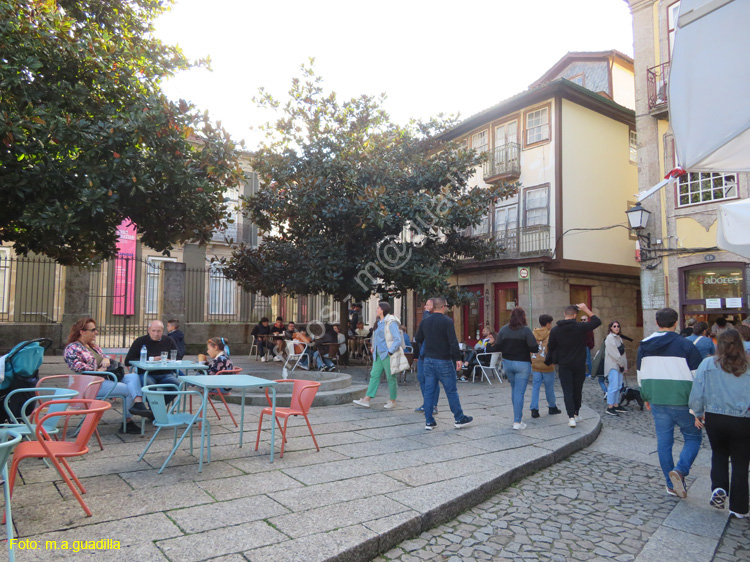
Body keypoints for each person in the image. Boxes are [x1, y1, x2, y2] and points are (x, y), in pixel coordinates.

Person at [637, 307, 703, 499]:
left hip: (657, 399)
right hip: (683, 401)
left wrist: (646, 397)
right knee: (693, 437)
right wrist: (699, 407)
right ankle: (680, 470)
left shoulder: (644, 345)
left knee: (664, 443)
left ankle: (670, 484)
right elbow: (698, 378)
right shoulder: (686, 346)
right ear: (676, 323)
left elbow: (641, 375)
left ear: (657, 323)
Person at [689, 329, 750, 518]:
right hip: (743, 419)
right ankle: (738, 507)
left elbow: (697, 392)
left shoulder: (707, 364)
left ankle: (719, 487)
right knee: (741, 462)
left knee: (719, 453)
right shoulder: (748, 365)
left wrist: (697, 412)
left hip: (715, 417)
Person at [64, 318, 148, 433]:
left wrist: (105, 359)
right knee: (128, 390)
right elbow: (76, 366)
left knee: (134, 377)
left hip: (107, 377)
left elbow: (106, 357)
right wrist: (98, 369)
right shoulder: (72, 348)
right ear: (82, 332)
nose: (96, 332)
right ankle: (128, 422)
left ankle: (139, 404)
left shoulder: (93, 346)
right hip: (92, 383)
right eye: (93, 330)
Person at [414, 297, 473, 430]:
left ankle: (429, 421)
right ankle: (459, 418)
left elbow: (418, 338)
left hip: (428, 360)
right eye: (446, 306)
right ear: (442, 307)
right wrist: (458, 358)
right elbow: (453, 341)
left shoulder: (426, 321)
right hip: (443, 360)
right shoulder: (447, 321)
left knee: (429, 391)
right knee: (451, 390)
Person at [546, 303, 602, 428]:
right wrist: (586, 309)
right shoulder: (580, 327)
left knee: (567, 391)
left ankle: (571, 417)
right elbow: (597, 321)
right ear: (575, 315)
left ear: (564, 314)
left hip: (564, 364)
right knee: (577, 390)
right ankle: (576, 413)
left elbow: (551, 347)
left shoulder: (555, 330)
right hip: (578, 363)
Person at [353, 302, 404, 409]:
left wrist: (390, 351)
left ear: (383, 309)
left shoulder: (391, 322)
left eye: (378, 308)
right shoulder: (379, 322)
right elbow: (376, 336)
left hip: (387, 354)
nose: (376, 309)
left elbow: (397, 339)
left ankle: (392, 400)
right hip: (377, 354)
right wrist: (373, 346)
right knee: (374, 375)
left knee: (391, 377)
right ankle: (367, 399)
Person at [495, 307, 538, 430]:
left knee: (514, 390)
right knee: (519, 392)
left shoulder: (503, 330)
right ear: (523, 317)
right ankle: (517, 421)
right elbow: (534, 348)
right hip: (522, 363)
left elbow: (498, 346)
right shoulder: (526, 331)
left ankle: (517, 419)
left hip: (508, 363)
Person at [124, 320, 180, 403]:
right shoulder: (140, 341)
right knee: (149, 386)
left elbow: (178, 356)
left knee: (177, 385)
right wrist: (151, 359)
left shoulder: (169, 340)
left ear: (162, 331)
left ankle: (157, 407)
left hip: (165, 373)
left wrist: (170, 360)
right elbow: (128, 361)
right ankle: (155, 409)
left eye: (159, 331)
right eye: (153, 331)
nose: (156, 333)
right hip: (146, 373)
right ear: (148, 330)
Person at [529, 314, 561, 419]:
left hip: (535, 363)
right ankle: (552, 406)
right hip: (548, 364)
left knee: (535, 387)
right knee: (549, 388)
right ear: (548, 324)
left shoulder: (533, 333)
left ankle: (534, 409)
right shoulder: (551, 334)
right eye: (550, 323)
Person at [414, 298, 440, 415]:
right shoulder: (426, 317)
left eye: (427, 305)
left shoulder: (434, 318)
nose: (425, 307)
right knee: (421, 378)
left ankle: (433, 405)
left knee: (432, 380)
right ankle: (426, 403)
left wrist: (426, 313)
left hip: (433, 354)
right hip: (422, 354)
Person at [604, 320, 628, 416]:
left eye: (618, 326)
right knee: (613, 387)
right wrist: (621, 363)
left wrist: (624, 365)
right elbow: (614, 353)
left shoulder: (619, 338)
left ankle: (616, 404)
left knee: (618, 386)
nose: (617, 328)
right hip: (613, 365)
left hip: (619, 365)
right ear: (611, 328)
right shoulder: (610, 338)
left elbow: (623, 353)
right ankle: (610, 407)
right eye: (614, 326)